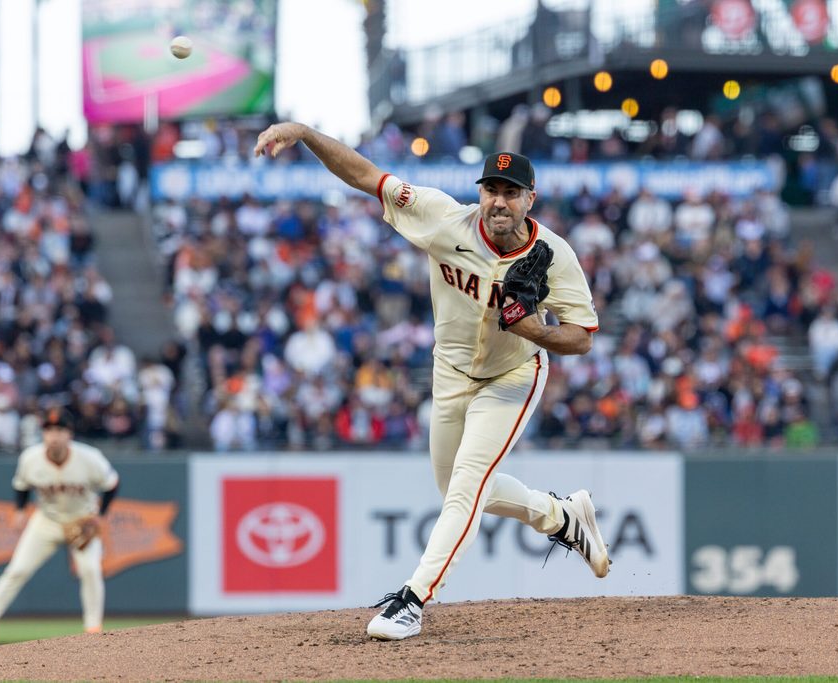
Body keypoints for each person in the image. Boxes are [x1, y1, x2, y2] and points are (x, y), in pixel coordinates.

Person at [254, 123, 609, 641]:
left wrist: (532, 326)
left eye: (511, 193)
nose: (499, 201)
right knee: (455, 490)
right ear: (479, 193)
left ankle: (412, 599)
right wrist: (305, 133)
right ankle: (561, 517)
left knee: (467, 484)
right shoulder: (442, 217)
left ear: (530, 199)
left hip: (514, 374)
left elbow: (582, 338)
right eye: (491, 189)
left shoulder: (554, 256)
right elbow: (366, 175)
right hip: (450, 371)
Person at [0, 409, 120, 645]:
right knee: (17, 570)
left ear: (69, 434)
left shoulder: (89, 457)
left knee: (90, 571)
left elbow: (112, 484)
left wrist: (101, 516)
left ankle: (93, 629)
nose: (53, 435)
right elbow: (21, 486)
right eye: (48, 430)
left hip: (81, 520)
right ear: (43, 434)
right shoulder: (30, 458)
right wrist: (19, 511)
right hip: (47, 521)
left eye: (59, 430)